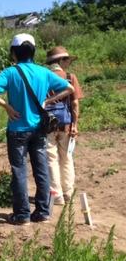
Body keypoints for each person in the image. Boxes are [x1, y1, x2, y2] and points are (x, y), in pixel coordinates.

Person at [0, 34, 74, 225]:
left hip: (17, 129)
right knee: (41, 169)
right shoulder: (43, 72)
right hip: (39, 129)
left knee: (19, 170)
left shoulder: (9, 73)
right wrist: (47, 101)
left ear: (14, 53)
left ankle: (22, 214)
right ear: (33, 51)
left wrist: (6, 106)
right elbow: (69, 88)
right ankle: (42, 212)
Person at [44, 46, 84, 205]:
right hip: (66, 123)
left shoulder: (43, 77)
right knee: (67, 157)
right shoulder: (69, 77)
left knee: (51, 158)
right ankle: (68, 193)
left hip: (47, 123)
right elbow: (74, 103)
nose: (68, 63)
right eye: (66, 60)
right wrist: (75, 124)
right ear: (60, 61)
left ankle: (57, 195)